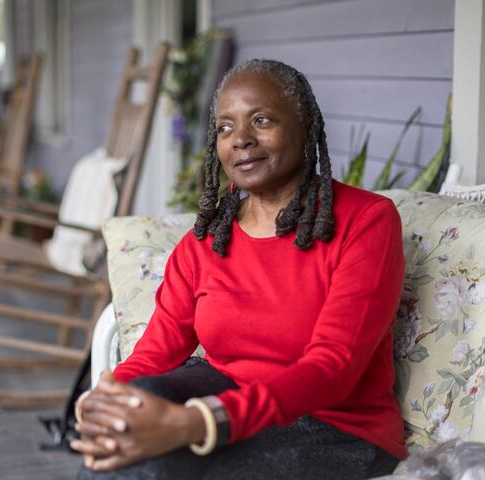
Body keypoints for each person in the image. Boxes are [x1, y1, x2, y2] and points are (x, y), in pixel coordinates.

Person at [71, 59, 407, 480]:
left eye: (261, 120)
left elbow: (333, 367)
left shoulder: (366, 221)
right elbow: (156, 352)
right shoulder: (207, 241)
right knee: (133, 410)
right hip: (223, 399)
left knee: (168, 461)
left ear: (304, 127)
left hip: (334, 428)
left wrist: (201, 422)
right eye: (226, 128)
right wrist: (106, 397)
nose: (241, 140)